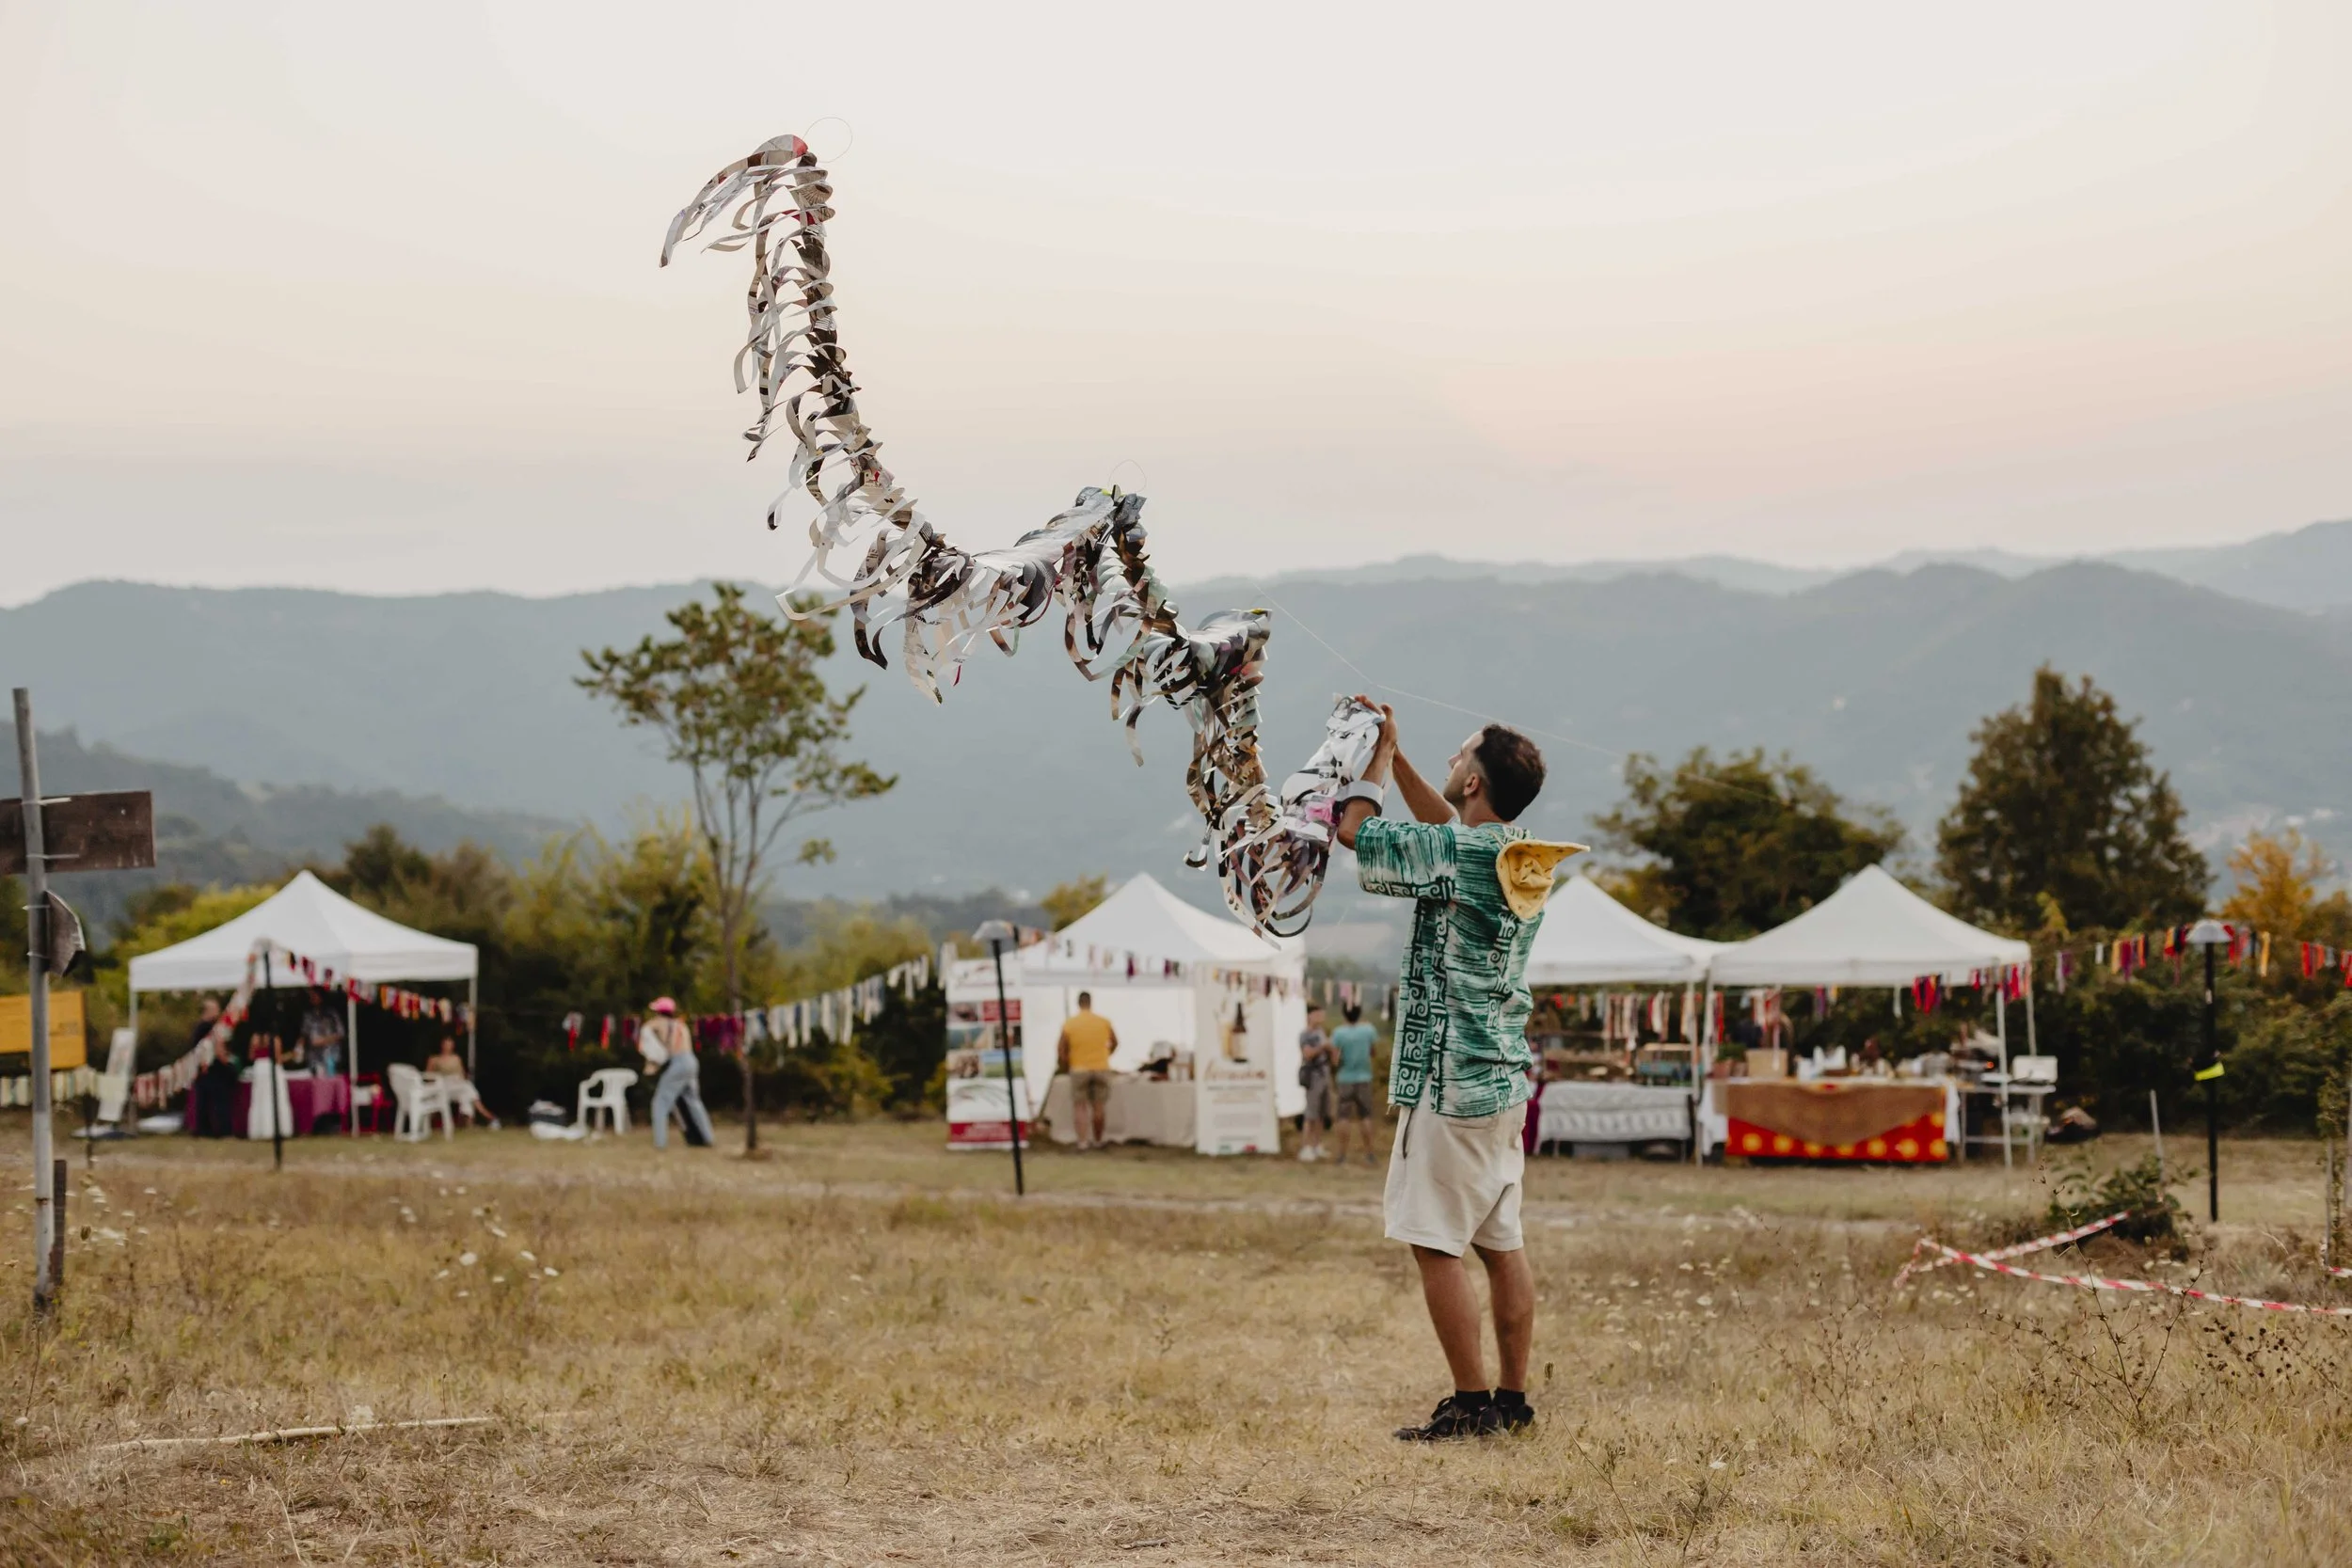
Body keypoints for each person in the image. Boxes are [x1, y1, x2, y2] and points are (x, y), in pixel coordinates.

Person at [1335, 700, 1579, 1442]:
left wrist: (1373, 757)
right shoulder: (1518, 857)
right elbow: (1448, 825)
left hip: (1446, 1080)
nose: (1450, 761)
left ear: (1474, 781)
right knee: (1502, 1245)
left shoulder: (1458, 857)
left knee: (1434, 1240)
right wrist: (1405, 754)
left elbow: (1355, 831)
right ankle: (1511, 1399)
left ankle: (1470, 1404)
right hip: (1502, 1078)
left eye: (1457, 757)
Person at [641, 997, 713, 1148]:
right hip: (691, 1061)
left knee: (660, 1103)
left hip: (678, 1062)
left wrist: (652, 1066)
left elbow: (647, 1041)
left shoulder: (657, 1023)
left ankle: (660, 1143)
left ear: (660, 1011)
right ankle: (708, 1138)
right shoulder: (681, 1025)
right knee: (694, 1101)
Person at [1057, 991, 1118, 1150]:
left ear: (1078, 1003)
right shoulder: (1104, 1022)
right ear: (1091, 1003)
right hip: (1101, 1067)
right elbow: (1115, 1042)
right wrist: (1106, 1055)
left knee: (1080, 1106)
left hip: (1079, 1068)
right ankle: (1098, 1140)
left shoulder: (1070, 1023)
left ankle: (1082, 1142)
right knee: (1099, 1106)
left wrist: (1067, 1063)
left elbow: (1061, 1048)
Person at [1329, 1003, 1381, 1165]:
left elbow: (1335, 1059)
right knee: (1366, 1116)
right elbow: (1373, 1052)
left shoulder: (1338, 1033)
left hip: (1345, 1078)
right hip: (1364, 1077)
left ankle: (1342, 1155)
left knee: (1343, 1117)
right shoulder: (1368, 1030)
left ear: (1344, 1014)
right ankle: (1370, 1153)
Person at [189, 998, 239, 1138]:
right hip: (214, 1070)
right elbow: (218, 1048)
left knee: (203, 1102)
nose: (218, 1012)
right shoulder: (211, 1028)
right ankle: (224, 1130)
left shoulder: (197, 1028)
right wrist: (228, 1062)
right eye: (216, 1009)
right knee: (220, 1101)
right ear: (209, 1011)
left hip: (202, 1070)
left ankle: (204, 1130)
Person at [425, 1037, 498, 1128]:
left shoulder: (456, 1058)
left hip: (457, 1085)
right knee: (468, 1087)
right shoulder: (434, 1059)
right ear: (442, 1045)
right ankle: (488, 1116)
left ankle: (469, 1121)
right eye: (447, 1044)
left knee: (466, 1093)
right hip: (443, 1085)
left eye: (451, 1045)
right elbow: (428, 1076)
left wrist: (461, 1079)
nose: (449, 1047)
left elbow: (462, 1074)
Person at [1296, 1004, 1335, 1162]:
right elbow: (1308, 1054)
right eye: (1318, 1014)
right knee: (1311, 1113)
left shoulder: (1321, 1033)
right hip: (1313, 1075)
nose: (1321, 1018)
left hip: (1324, 1073)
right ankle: (1305, 1147)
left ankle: (1317, 1145)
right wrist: (1322, 1047)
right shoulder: (1305, 1035)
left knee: (1321, 1113)